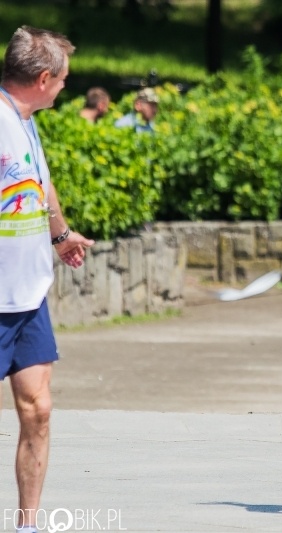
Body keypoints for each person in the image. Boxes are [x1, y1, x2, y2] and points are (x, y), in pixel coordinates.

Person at [1, 26, 94, 533]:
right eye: (62, 80)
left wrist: (59, 236)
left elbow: (40, 183)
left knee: (38, 408)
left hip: (27, 295)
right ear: (43, 78)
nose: (64, 88)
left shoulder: (27, 121)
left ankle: (27, 526)